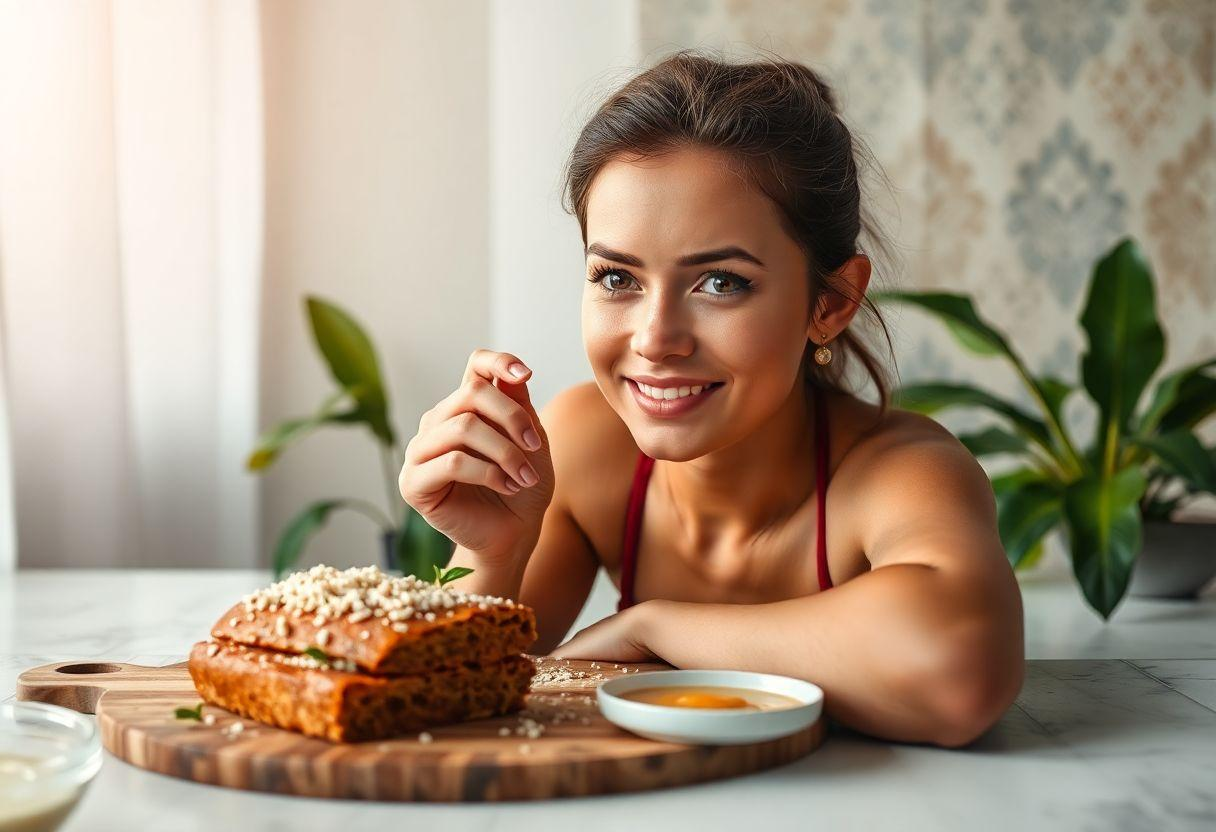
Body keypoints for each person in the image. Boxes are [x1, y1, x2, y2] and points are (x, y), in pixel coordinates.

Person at [398, 51, 1023, 748]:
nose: (655, 338)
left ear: (833, 301)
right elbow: (428, 705)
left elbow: (959, 675)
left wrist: (652, 626)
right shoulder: (582, 445)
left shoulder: (899, 470)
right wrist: (490, 552)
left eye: (721, 282)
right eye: (615, 277)